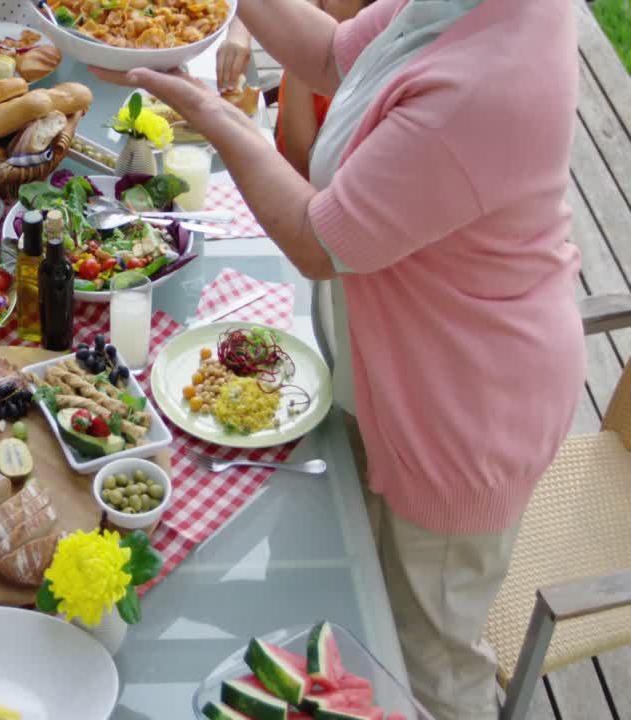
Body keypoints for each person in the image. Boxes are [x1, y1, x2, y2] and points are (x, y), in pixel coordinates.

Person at [91, 0, 585, 716]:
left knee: (432, 661)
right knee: (360, 599)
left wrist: (218, 115)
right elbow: (332, 53)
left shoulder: (492, 77)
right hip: (402, 374)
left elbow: (319, 242)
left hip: (461, 415)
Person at [218, 0, 375, 179]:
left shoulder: (352, 82)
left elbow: (299, 165)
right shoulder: (329, 18)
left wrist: (304, 51)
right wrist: (239, 33)